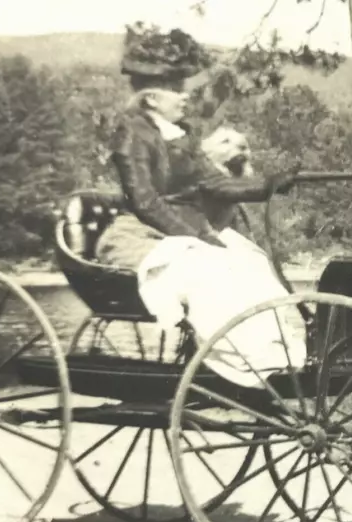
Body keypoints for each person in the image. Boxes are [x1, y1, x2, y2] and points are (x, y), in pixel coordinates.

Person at [96, 24, 307, 387]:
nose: (185, 95)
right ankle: (241, 364)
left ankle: (278, 356)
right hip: (140, 236)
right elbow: (145, 202)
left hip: (185, 234)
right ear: (150, 99)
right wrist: (197, 235)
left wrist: (271, 185)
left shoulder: (184, 136)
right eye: (176, 88)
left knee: (250, 262)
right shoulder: (130, 135)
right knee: (209, 270)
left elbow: (215, 182)